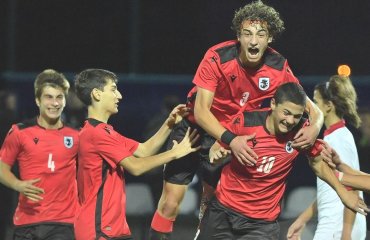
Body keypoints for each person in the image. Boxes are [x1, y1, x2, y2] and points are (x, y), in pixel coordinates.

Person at [149, 1, 324, 239]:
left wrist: (315, 127)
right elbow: (201, 111)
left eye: (260, 35)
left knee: (213, 200)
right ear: (238, 36)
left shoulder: (278, 65)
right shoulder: (217, 56)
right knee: (170, 203)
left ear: (269, 38)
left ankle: (203, 232)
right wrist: (231, 140)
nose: (253, 41)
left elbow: (310, 108)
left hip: (232, 135)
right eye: (247, 34)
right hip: (196, 128)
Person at [195, 82, 368, 240]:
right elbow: (216, 147)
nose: (290, 121)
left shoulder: (302, 133)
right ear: (272, 104)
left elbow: (318, 165)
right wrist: (217, 154)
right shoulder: (245, 121)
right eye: (286, 113)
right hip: (223, 210)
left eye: (297, 116)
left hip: (261, 224)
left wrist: (342, 192)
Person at [73, 68, 200, 240]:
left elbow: (144, 150)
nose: (119, 96)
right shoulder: (97, 134)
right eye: (113, 89)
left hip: (111, 229)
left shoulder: (105, 131)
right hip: (99, 230)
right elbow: (136, 166)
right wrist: (174, 153)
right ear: (96, 94)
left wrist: (169, 124)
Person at [0, 69, 79, 240]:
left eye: (59, 97)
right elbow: (1, 168)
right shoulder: (19, 131)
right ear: (37, 100)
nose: (55, 103)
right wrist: (17, 184)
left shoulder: (76, 135)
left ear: (65, 101)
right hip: (26, 222)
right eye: (48, 97)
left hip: (63, 224)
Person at [287, 75, 367, 240]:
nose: (312, 108)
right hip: (334, 222)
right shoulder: (332, 136)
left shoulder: (339, 137)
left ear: (329, 106)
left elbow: (353, 186)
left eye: (316, 102)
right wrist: (303, 219)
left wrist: (346, 233)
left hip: (337, 224)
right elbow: (330, 188)